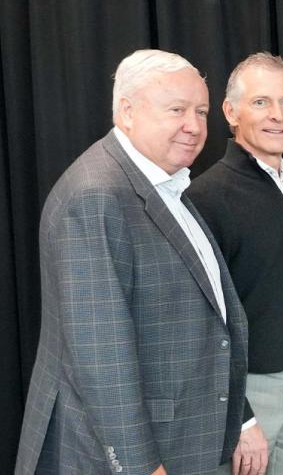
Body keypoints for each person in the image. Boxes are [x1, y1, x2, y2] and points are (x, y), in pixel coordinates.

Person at [15, 49, 249, 474]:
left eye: (200, 110)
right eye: (177, 109)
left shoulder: (164, 184)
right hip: (124, 457)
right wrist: (142, 467)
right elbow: (102, 356)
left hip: (183, 440)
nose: (194, 126)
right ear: (127, 111)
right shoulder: (96, 196)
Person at [187, 52, 283, 475]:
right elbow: (200, 320)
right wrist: (242, 418)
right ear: (231, 112)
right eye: (261, 102)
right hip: (243, 394)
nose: (277, 115)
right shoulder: (204, 198)